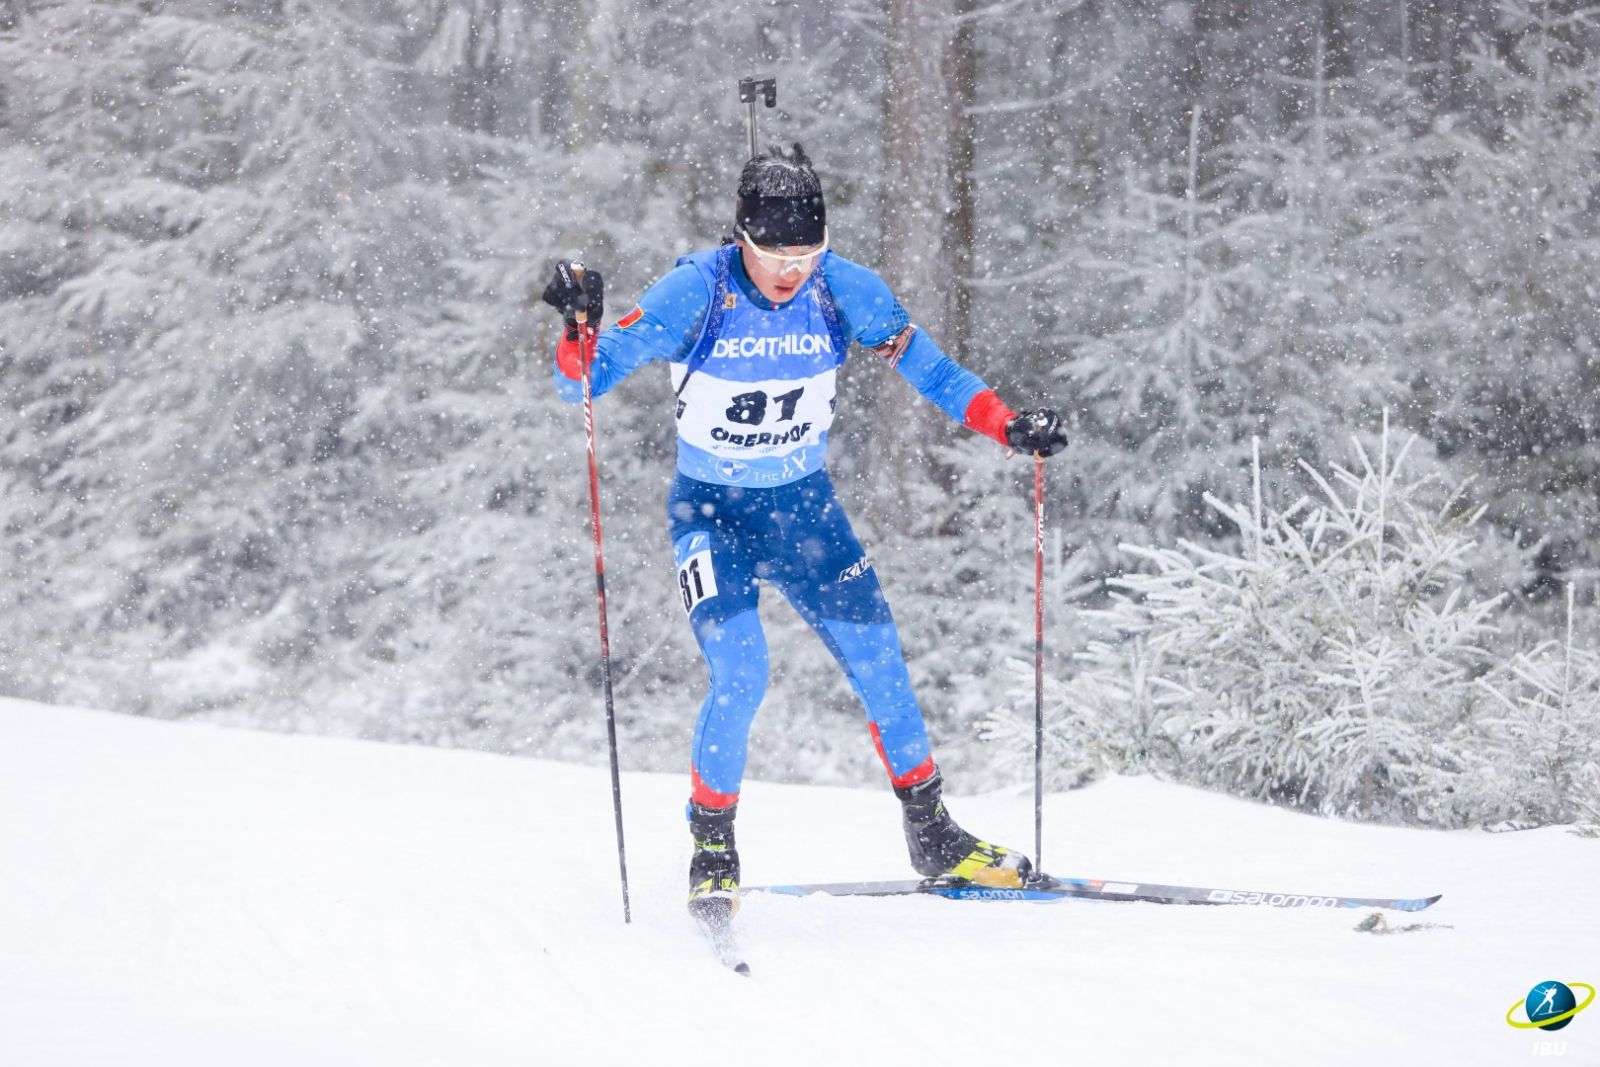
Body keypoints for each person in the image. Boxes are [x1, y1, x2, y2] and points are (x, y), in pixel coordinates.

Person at [543, 144, 1068, 916]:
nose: (792, 271)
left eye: (808, 253)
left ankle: (934, 834)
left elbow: (933, 370)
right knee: (743, 671)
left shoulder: (845, 290)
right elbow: (579, 379)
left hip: (803, 510)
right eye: (774, 254)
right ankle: (713, 846)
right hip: (712, 515)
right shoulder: (698, 292)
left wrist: (1007, 424)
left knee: (881, 658)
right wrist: (578, 323)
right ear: (741, 240)